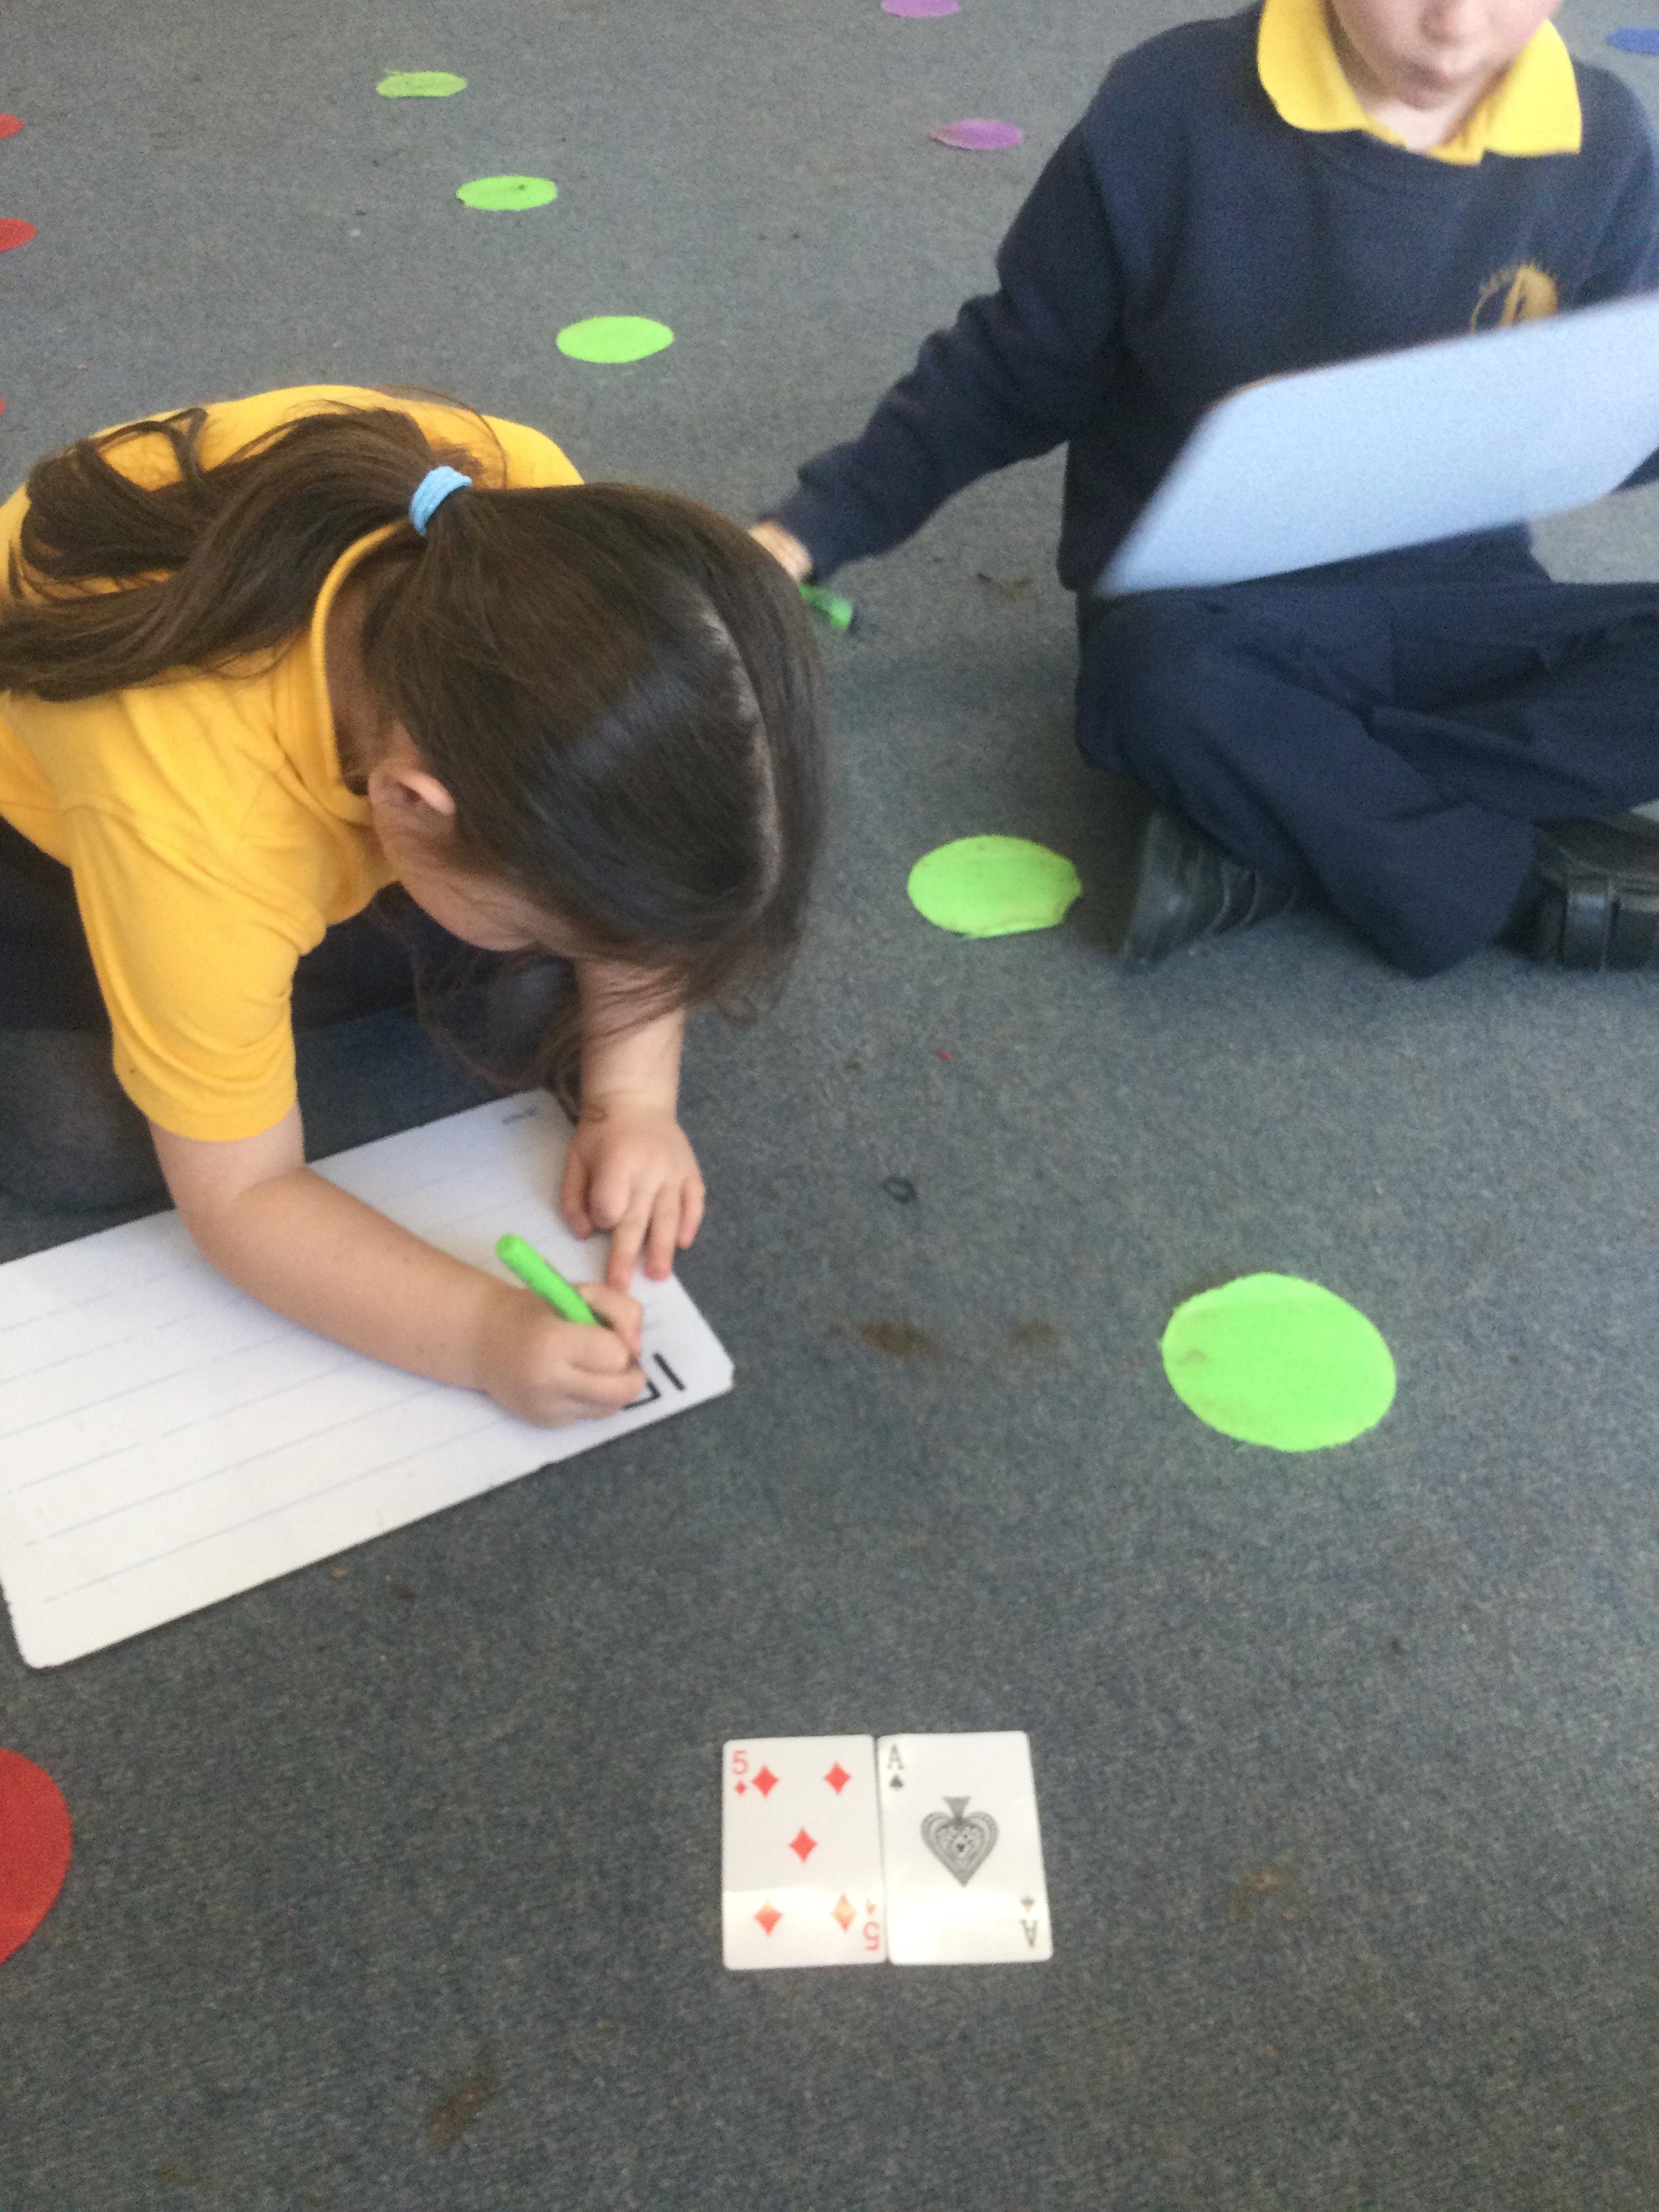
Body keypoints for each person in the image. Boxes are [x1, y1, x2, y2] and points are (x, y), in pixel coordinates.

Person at [753, 0, 1659, 975]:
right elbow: (1011, 371)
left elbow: (1616, 411)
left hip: (1464, 602)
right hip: (1213, 623)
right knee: (1152, 692)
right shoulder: (1172, 106)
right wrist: (804, 534)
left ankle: (1285, 836)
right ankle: (1522, 884)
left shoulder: (1602, 137)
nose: (1457, 22)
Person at [0, 384, 823, 1425]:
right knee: (79, 1138)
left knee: (531, 1005)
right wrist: (482, 1338)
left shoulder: (550, 531)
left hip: (322, 798)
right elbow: (242, 1197)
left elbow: (635, 824)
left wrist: (634, 1096)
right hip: (54, 830)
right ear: (412, 804)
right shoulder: (188, 819)